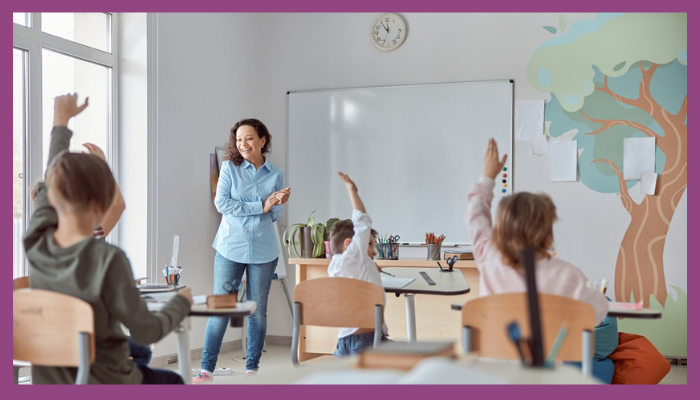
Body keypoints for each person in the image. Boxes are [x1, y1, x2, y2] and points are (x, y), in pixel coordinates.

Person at [24, 93, 193, 384]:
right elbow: (146, 332)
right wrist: (181, 304)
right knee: (174, 381)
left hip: (50, 382)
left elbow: (52, 177)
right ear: (100, 205)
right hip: (105, 380)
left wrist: (60, 121)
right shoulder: (107, 259)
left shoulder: (36, 243)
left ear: (50, 195)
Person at [465, 138, 615, 382]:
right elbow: (597, 313)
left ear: (500, 230)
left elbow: (476, 215)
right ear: (547, 233)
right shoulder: (568, 275)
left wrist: (487, 176)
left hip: (493, 374)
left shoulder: (488, 258)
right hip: (547, 376)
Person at [195, 118, 290, 383]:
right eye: (238, 139)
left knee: (257, 311)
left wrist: (275, 204)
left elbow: (275, 213)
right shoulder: (229, 168)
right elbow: (222, 204)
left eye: (248, 138)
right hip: (229, 247)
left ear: (262, 140)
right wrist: (260, 206)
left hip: (264, 249)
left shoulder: (276, 174)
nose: (243, 144)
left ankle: (252, 370)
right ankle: (206, 369)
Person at [327, 172, 389, 356]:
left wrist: (370, 267)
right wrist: (353, 191)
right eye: (368, 244)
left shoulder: (337, 266)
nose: (373, 251)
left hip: (343, 342)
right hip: (366, 342)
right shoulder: (355, 257)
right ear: (349, 244)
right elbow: (362, 221)